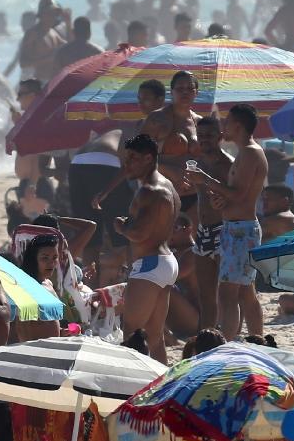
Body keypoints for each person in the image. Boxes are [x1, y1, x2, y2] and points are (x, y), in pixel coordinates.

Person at [189, 103, 266, 340]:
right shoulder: (247, 152)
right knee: (245, 294)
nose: (224, 125)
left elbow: (239, 194)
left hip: (240, 230)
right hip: (237, 228)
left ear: (238, 126)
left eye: (228, 121)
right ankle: (257, 340)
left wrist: (205, 180)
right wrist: (220, 200)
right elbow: (235, 195)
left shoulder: (250, 153)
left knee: (228, 295)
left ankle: (229, 345)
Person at [114, 133, 181, 362]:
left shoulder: (148, 190)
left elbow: (140, 233)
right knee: (155, 338)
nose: (127, 163)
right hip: (166, 262)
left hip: (150, 265)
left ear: (148, 158)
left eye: (133, 158)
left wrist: (122, 227)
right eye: (126, 157)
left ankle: (129, 389)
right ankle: (164, 388)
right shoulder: (168, 185)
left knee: (131, 333)